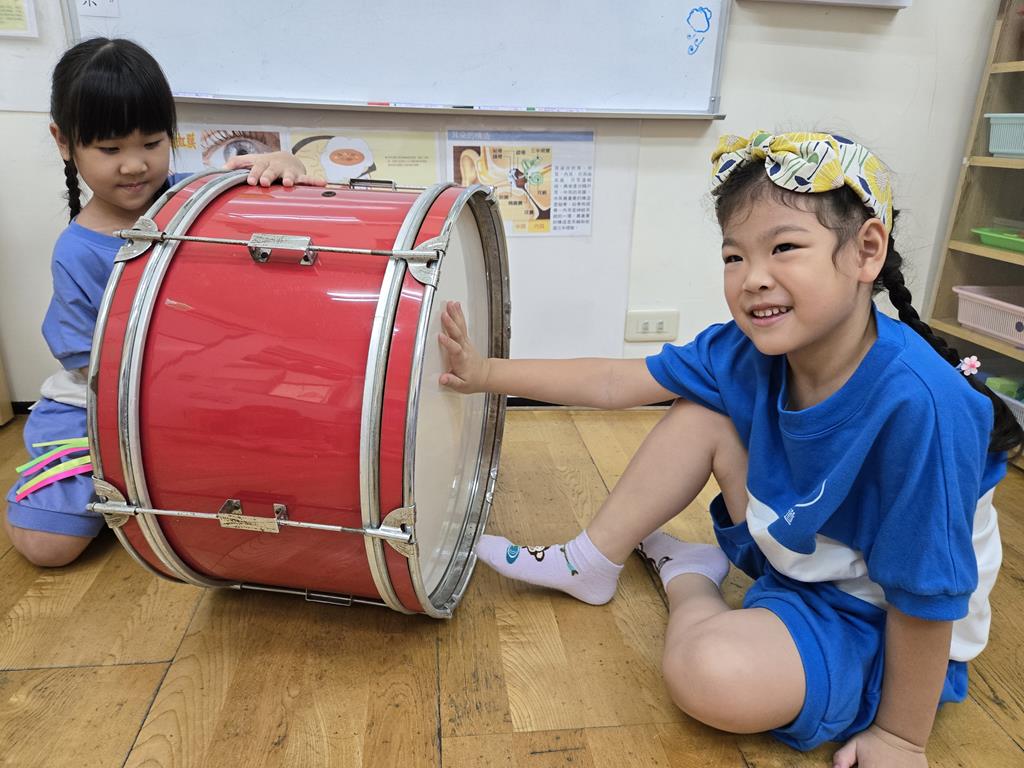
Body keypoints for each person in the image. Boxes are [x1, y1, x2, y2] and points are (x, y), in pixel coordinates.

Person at [438, 130, 1023, 767]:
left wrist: (900, 738)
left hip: (879, 618)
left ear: (866, 252)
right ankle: (589, 560)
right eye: (734, 256)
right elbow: (614, 381)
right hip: (805, 556)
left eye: (784, 248)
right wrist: (484, 372)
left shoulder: (925, 406)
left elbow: (927, 593)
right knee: (699, 409)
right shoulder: (741, 352)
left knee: (710, 674)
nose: (753, 279)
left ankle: (689, 578)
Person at [3, 37, 321, 568]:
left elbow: (279, 178)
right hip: (101, 404)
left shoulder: (200, 195)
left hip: (203, 390)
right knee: (47, 547)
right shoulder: (77, 252)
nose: (135, 165)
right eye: (110, 150)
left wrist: (284, 162)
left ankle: (143, 482)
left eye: (151, 143)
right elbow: (91, 369)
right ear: (64, 142)